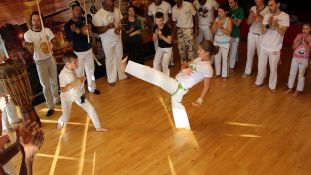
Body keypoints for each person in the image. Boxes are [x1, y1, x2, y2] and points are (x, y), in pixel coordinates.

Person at [121, 40, 218, 129]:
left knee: (154, 74)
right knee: (176, 104)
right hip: (176, 84)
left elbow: (206, 86)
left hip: (178, 87)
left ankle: (127, 67)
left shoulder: (208, 68)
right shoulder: (198, 59)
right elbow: (184, 64)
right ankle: (183, 126)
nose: (198, 52)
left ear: (207, 53)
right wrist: (183, 68)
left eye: (200, 50)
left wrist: (200, 100)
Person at [57, 51, 108, 132]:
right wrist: (74, 83)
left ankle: (98, 127)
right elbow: (62, 89)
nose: (77, 64)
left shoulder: (72, 69)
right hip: (66, 98)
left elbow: (74, 80)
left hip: (77, 95)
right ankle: (60, 121)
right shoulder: (62, 74)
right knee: (66, 116)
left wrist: (79, 79)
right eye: (75, 62)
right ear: (67, 64)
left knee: (91, 109)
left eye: (77, 61)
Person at [23, 11, 60, 117]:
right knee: (45, 85)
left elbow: (56, 44)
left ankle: (57, 100)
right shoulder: (27, 34)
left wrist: (51, 43)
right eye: (34, 20)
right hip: (39, 61)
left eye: (38, 20)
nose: (36, 22)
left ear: (41, 21)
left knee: (54, 81)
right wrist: (28, 46)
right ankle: (50, 106)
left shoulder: (47, 30)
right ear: (31, 21)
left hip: (50, 58)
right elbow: (31, 51)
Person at [64, 0, 101, 95]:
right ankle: (80, 92)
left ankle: (92, 88)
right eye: (76, 10)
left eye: (79, 10)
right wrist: (74, 31)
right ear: (72, 11)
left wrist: (90, 27)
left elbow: (95, 29)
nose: (78, 11)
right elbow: (69, 38)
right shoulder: (68, 24)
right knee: (79, 74)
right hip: (78, 53)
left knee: (91, 71)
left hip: (88, 50)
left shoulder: (85, 20)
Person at [254, 0, 289, 92]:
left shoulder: (285, 16)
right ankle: (258, 82)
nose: (270, 7)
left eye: (272, 5)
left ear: (278, 4)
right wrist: (269, 24)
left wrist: (276, 25)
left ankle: (272, 86)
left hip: (275, 47)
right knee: (261, 66)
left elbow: (282, 33)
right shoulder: (267, 15)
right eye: (269, 6)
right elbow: (263, 31)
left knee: (273, 68)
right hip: (264, 45)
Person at [93, 0, 127, 86]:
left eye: (113, 6)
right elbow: (99, 30)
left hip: (118, 39)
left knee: (120, 57)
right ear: (104, 4)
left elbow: (121, 20)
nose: (112, 9)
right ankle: (111, 79)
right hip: (107, 41)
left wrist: (119, 27)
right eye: (110, 7)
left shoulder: (116, 10)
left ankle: (122, 75)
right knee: (110, 59)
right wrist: (108, 26)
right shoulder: (98, 15)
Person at [242, 0, 269, 77]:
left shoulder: (267, 9)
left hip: (261, 35)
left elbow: (265, 23)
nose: (256, 0)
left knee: (261, 55)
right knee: (249, 53)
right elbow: (248, 22)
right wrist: (251, 16)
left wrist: (259, 16)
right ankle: (247, 71)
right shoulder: (253, 8)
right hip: (251, 33)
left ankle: (262, 74)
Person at [285, 23, 311, 96]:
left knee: (301, 75)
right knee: (292, 73)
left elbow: (309, 50)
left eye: (307, 29)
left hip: (304, 59)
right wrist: (299, 41)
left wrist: (304, 42)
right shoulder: (298, 35)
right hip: (295, 58)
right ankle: (290, 88)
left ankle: (298, 90)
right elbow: (293, 47)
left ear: (310, 30)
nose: (304, 30)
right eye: (303, 28)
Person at [147, 0, 174, 66]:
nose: (158, 22)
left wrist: (162, 34)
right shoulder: (151, 6)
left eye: (160, 20)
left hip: (166, 28)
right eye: (157, 21)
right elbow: (149, 16)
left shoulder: (167, 4)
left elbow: (171, 16)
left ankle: (170, 61)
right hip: (158, 32)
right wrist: (155, 33)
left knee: (168, 45)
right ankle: (160, 62)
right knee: (156, 62)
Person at [211, 3, 232, 79]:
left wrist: (221, 27)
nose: (219, 13)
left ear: (226, 12)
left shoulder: (228, 20)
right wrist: (216, 26)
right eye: (218, 11)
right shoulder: (216, 19)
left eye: (221, 11)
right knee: (217, 58)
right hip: (216, 42)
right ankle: (218, 73)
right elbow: (212, 32)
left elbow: (229, 32)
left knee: (225, 59)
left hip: (225, 43)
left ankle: (225, 75)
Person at [228, 0, 244, 71]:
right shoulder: (229, 9)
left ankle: (231, 67)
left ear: (236, 2)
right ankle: (232, 62)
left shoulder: (240, 10)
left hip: (235, 34)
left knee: (233, 51)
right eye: (229, 2)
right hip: (228, 33)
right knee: (230, 50)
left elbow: (237, 24)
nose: (229, 4)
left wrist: (230, 18)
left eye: (231, 2)